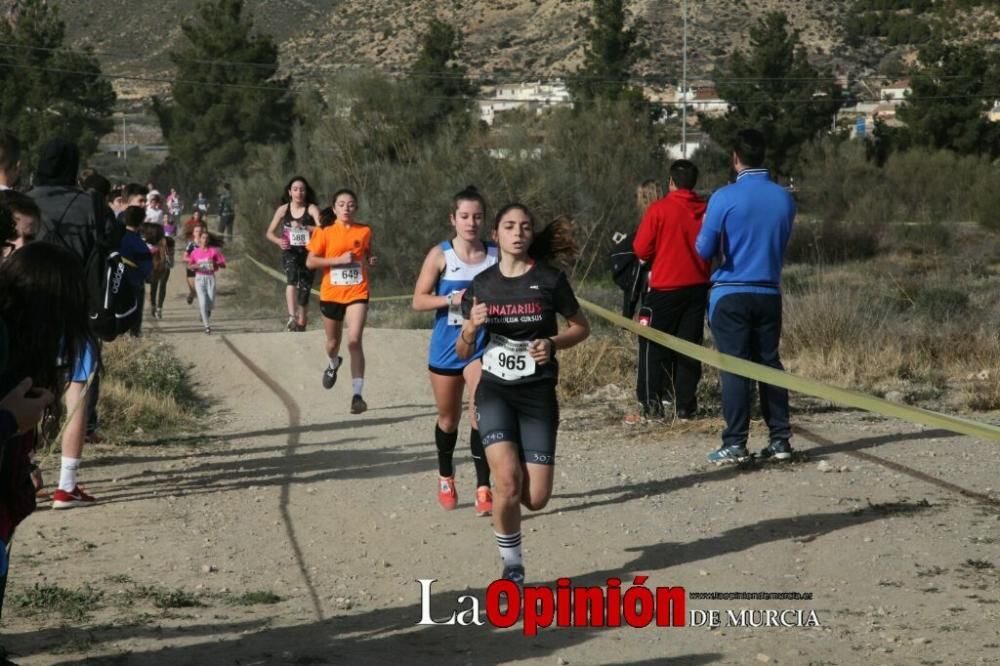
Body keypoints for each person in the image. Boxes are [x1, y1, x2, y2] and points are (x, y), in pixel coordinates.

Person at [458, 205, 590, 586]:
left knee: (536, 497)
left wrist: (552, 343)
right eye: (509, 226)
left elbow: (582, 328)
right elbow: (464, 352)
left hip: (537, 396)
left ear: (531, 235)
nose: (518, 232)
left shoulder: (550, 280)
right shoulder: (482, 285)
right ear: (496, 234)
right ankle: (512, 566)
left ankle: (512, 533)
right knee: (508, 483)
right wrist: (470, 328)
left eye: (525, 227)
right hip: (495, 392)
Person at [695, 129, 795, 464]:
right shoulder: (784, 198)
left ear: (735, 158)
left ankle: (735, 442)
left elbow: (704, 249)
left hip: (730, 292)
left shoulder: (724, 197)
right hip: (768, 290)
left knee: (735, 368)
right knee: (770, 364)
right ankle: (780, 439)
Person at [412, 186, 498, 516]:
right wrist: (452, 299)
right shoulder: (440, 255)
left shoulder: (495, 254)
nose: (471, 223)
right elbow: (418, 300)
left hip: (481, 347)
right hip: (447, 347)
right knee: (449, 419)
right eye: (464, 216)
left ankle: (483, 486)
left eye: (477, 216)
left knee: (480, 416)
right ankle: (446, 475)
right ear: (453, 219)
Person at [632, 160, 710, 421]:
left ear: (671, 182)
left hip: (664, 288)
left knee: (652, 347)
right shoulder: (705, 209)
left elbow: (641, 249)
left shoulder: (659, 209)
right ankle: (686, 405)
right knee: (689, 348)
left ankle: (651, 403)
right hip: (698, 287)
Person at [305, 189, 376, 414]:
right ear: (334, 208)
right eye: (342, 204)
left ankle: (357, 395)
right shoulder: (324, 232)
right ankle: (333, 363)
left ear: (356, 208)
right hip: (331, 294)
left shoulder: (364, 230)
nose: (346, 208)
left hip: (357, 292)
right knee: (333, 343)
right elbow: (310, 262)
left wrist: (370, 259)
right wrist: (338, 260)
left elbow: (366, 252)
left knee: (354, 340)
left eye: (351, 204)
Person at [266, 177, 320, 332]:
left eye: (302, 189)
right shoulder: (283, 210)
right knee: (291, 280)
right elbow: (269, 233)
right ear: (290, 192)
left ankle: (302, 320)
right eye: (295, 189)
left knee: (304, 290)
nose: (299, 192)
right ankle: (291, 317)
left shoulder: (312, 209)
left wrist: (305, 227)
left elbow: (323, 229)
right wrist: (278, 241)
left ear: (306, 192)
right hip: (290, 251)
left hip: (309, 253)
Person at [119, 206, 153, 337]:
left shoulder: (115, 237)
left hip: (113, 284)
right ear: (141, 222)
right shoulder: (138, 243)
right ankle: (133, 337)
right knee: (134, 316)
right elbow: (146, 270)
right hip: (134, 285)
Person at [187, 224, 226, 334]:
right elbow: (189, 265)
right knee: (202, 303)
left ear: (209, 240)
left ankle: (207, 311)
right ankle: (207, 326)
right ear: (199, 239)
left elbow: (223, 264)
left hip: (210, 278)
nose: (205, 240)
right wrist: (195, 266)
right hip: (199, 278)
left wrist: (214, 263)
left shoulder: (213, 251)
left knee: (211, 303)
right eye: (203, 238)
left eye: (207, 238)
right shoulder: (195, 252)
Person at [143, 222, 173, 320]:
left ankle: (159, 308)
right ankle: (153, 306)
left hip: (164, 266)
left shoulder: (168, 240)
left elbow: (171, 254)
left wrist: (169, 260)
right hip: (154, 267)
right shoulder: (148, 241)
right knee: (154, 287)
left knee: (163, 286)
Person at [183, 218, 204, 305]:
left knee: (201, 290)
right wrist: (193, 261)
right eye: (196, 231)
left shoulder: (206, 244)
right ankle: (191, 294)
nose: (198, 233)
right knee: (194, 289)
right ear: (193, 233)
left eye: (200, 231)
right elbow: (184, 257)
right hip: (192, 269)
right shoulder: (191, 244)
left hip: (203, 269)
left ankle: (203, 309)